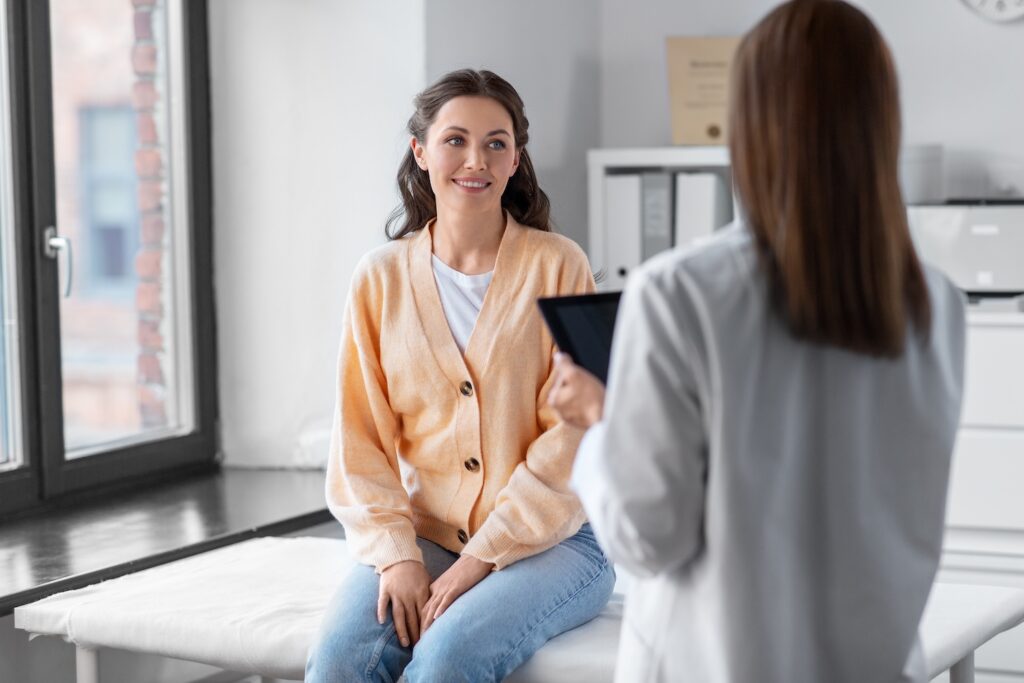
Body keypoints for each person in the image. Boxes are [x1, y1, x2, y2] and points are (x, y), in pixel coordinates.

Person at [549, 1, 966, 681]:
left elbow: (648, 538)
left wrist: (602, 419)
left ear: (750, 122)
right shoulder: (936, 303)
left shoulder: (680, 292)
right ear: (881, 122)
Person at [305, 69, 614, 683]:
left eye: (496, 143)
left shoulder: (559, 264)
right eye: (455, 140)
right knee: (343, 659)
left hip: (553, 541)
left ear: (516, 159)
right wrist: (396, 558)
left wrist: (479, 559)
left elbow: (571, 436)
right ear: (421, 152)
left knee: (448, 657)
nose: (476, 160)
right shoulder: (380, 278)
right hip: (424, 533)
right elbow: (359, 440)